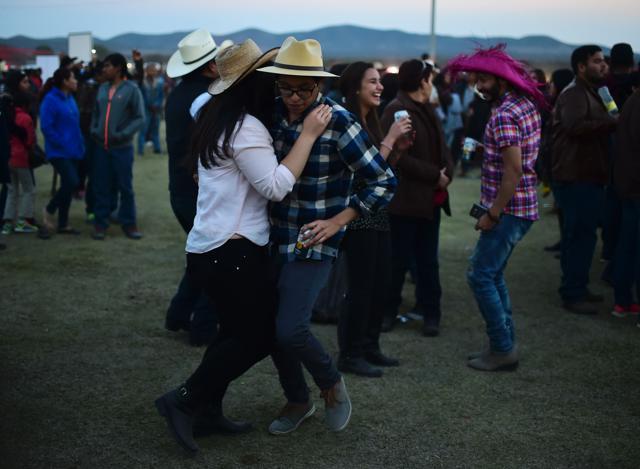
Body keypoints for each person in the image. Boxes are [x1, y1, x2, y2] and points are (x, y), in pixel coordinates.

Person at [154, 39, 332, 453]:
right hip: (231, 250)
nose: (277, 87)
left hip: (209, 248)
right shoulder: (245, 127)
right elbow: (274, 186)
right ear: (252, 84)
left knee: (233, 332)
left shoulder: (217, 118)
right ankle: (183, 400)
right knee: (257, 336)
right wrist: (307, 135)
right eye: (269, 79)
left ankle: (209, 409)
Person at [257, 37, 397, 434]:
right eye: (287, 87)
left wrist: (341, 220)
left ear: (319, 85)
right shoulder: (272, 115)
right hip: (272, 235)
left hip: (314, 238)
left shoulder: (339, 121)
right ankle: (297, 399)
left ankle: (331, 383)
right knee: (270, 327)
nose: (296, 96)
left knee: (291, 328)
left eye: (305, 88)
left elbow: (384, 182)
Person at [447, 44, 544, 371]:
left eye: (483, 80)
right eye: (475, 81)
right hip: (522, 206)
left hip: (508, 209)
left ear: (501, 79)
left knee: (480, 275)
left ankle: (502, 348)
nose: (478, 87)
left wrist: (492, 213)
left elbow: (513, 170)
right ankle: (505, 342)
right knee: (493, 273)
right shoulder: (524, 104)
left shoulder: (504, 114)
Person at [335, 61, 412, 377]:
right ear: (355, 88)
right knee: (361, 287)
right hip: (357, 216)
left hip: (379, 214)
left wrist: (397, 149)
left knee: (381, 284)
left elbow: (383, 170)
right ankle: (350, 354)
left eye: (380, 82)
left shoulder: (372, 122)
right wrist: (390, 139)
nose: (379, 87)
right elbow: (365, 173)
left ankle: (370, 346)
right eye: (372, 82)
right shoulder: (349, 122)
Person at [163, 28, 228, 347]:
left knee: (201, 257)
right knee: (214, 261)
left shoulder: (178, 93)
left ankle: (178, 314)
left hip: (180, 189)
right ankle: (202, 327)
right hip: (198, 191)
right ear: (211, 67)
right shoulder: (205, 99)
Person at [380, 59, 454, 337]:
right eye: (429, 78)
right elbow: (398, 158)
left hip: (429, 200)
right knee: (398, 260)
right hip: (405, 200)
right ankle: (388, 311)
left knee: (427, 260)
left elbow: (443, 147)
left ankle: (430, 312)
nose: (431, 83)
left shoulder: (427, 109)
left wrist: (448, 170)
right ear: (421, 81)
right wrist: (435, 175)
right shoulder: (398, 111)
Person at [551, 45, 617, 315]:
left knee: (584, 235)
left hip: (587, 174)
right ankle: (572, 292)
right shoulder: (575, 94)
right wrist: (614, 123)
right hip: (575, 175)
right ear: (581, 66)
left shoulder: (591, 92)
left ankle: (578, 286)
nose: (603, 66)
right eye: (597, 61)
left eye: (604, 61)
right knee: (578, 235)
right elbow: (574, 126)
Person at [89, 53, 145, 240]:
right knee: (101, 186)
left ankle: (129, 223)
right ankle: (100, 223)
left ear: (118, 68)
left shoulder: (131, 89)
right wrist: (94, 129)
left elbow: (139, 117)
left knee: (125, 187)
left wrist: (122, 134)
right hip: (101, 147)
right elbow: (96, 113)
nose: (104, 69)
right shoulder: (102, 88)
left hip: (122, 148)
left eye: (107, 66)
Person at [39, 68, 85, 236]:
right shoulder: (50, 100)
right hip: (58, 152)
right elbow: (46, 127)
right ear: (65, 81)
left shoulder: (70, 98)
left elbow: (74, 126)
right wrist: (62, 143)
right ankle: (50, 209)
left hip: (74, 150)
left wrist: (79, 145)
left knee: (67, 184)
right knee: (72, 182)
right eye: (73, 77)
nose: (76, 81)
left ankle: (63, 224)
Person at [611, 75, 640, 322]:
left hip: (628, 185)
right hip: (635, 187)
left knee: (627, 245)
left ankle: (623, 301)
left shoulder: (631, 102)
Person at [1, 71, 37, 235]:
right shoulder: (25, 118)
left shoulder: (10, 113)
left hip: (8, 156)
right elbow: (29, 140)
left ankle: (7, 223)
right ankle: (23, 220)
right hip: (21, 157)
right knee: (29, 189)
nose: (28, 85)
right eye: (24, 82)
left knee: (11, 190)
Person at [137, 62, 164, 155]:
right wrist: (149, 105)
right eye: (150, 70)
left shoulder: (160, 82)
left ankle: (157, 148)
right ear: (146, 71)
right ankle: (140, 150)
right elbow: (141, 96)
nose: (153, 72)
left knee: (155, 130)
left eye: (154, 70)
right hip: (145, 109)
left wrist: (157, 105)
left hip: (155, 110)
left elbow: (161, 96)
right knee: (143, 130)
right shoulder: (142, 82)